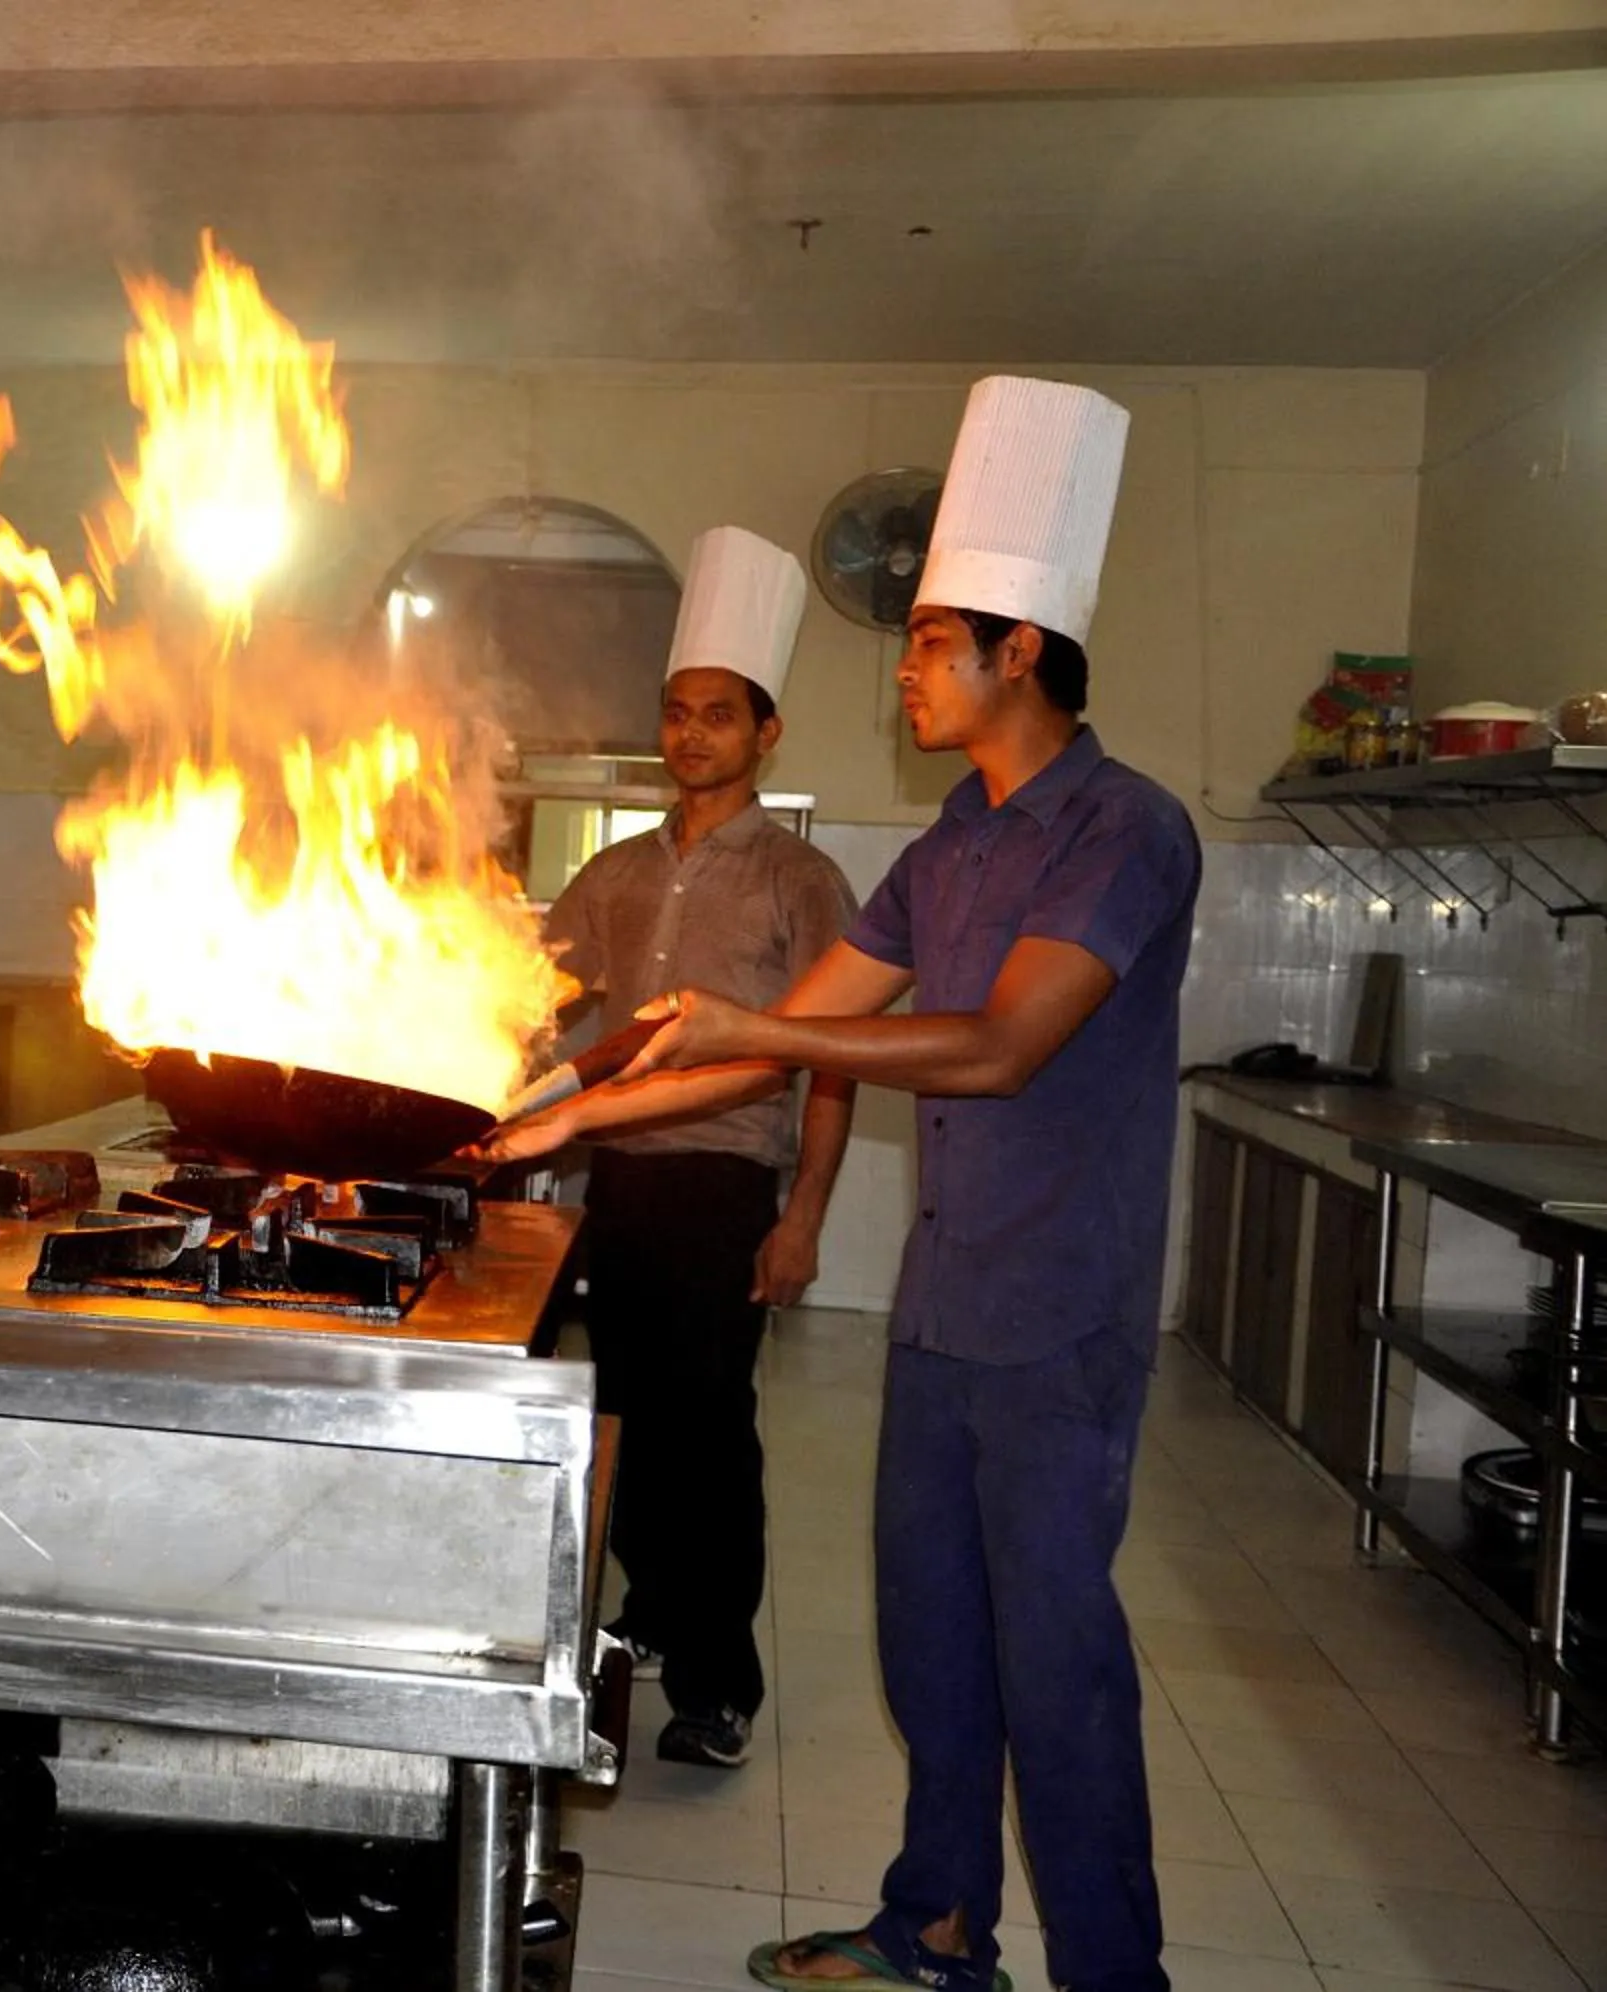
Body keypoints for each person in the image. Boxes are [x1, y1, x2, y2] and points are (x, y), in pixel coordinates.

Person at [489, 378, 1190, 1992]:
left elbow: (1008, 1044)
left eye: (933, 635)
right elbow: (774, 1043)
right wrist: (554, 1122)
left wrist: (745, 1040)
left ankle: (1114, 1971)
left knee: (1057, 1656)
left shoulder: (1124, 832)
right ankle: (936, 1922)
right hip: (946, 1305)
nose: (908, 659)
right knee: (933, 1636)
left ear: (1023, 650)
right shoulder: (950, 847)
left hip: (1058, 1303)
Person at [541, 525, 857, 1770]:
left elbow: (836, 1058)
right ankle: (654, 1614)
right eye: (677, 713)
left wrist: (803, 1219)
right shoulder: (613, 874)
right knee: (620, 1418)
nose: (690, 736)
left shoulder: (802, 878)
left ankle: (718, 1682)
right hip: (613, 1183)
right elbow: (534, 999)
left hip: (729, 1185)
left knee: (710, 1429)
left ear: (765, 733)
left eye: (718, 715)